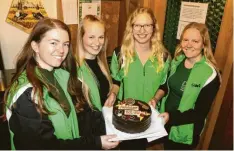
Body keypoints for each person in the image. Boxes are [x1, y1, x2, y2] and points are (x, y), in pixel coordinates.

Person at [4, 18, 119, 150]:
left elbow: (83, 115)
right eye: (54, 43)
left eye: (65, 44)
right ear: (35, 46)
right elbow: (45, 147)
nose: (61, 50)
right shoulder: (26, 93)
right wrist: (96, 143)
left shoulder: (61, 76)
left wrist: (118, 122)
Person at [149, 22, 221, 150]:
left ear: (203, 44)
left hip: (185, 130)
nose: (189, 45)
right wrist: (156, 98)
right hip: (166, 122)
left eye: (195, 41)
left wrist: (171, 116)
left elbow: (199, 113)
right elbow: (166, 85)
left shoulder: (210, 74)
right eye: (185, 40)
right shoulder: (177, 61)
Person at [110, 7, 170, 150]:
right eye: (137, 25)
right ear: (131, 27)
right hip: (127, 116)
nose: (142, 30)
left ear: (154, 28)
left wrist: (155, 99)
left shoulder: (164, 56)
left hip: (149, 116)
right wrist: (113, 93)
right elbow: (116, 81)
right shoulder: (120, 54)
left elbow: (164, 86)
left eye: (147, 25)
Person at [76, 15, 119, 111]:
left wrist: (112, 95)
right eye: (91, 37)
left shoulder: (101, 64)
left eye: (101, 37)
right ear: (81, 37)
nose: (97, 42)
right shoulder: (75, 70)